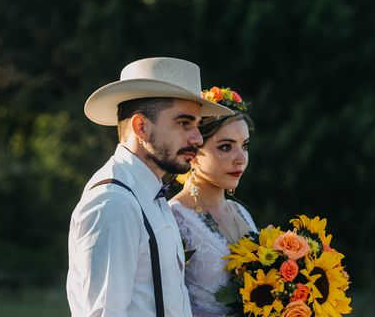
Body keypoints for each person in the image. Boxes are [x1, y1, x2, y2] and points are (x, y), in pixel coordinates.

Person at [66, 58, 232, 317]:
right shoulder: (113, 202)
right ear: (141, 127)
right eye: (184, 123)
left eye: (197, 125)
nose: (198, 138)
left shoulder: (150, 194)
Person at [169, 86, 256, 317]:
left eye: (244, 146)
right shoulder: (174, 218)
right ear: (194, 151)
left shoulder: (240, 211)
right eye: (225, 147)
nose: (241, 159)